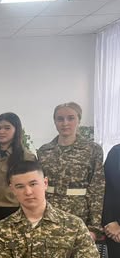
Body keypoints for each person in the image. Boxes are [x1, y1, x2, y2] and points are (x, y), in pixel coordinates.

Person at [37, 102, 105, 239]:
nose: (65, 123)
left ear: (79, 120)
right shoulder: (44, 151)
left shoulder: (92, 150)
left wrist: (94, 227)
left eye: (71, 118)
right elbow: (38, 186)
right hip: (48, 213)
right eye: (60, 119)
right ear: (55, 122)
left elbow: (97, 189)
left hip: (79, 214)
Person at [0, 112, 36, 226]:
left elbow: (32, 186)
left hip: (15, 210)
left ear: (16, 130)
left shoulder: (26, 157)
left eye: (7, 128)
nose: (1, 131)